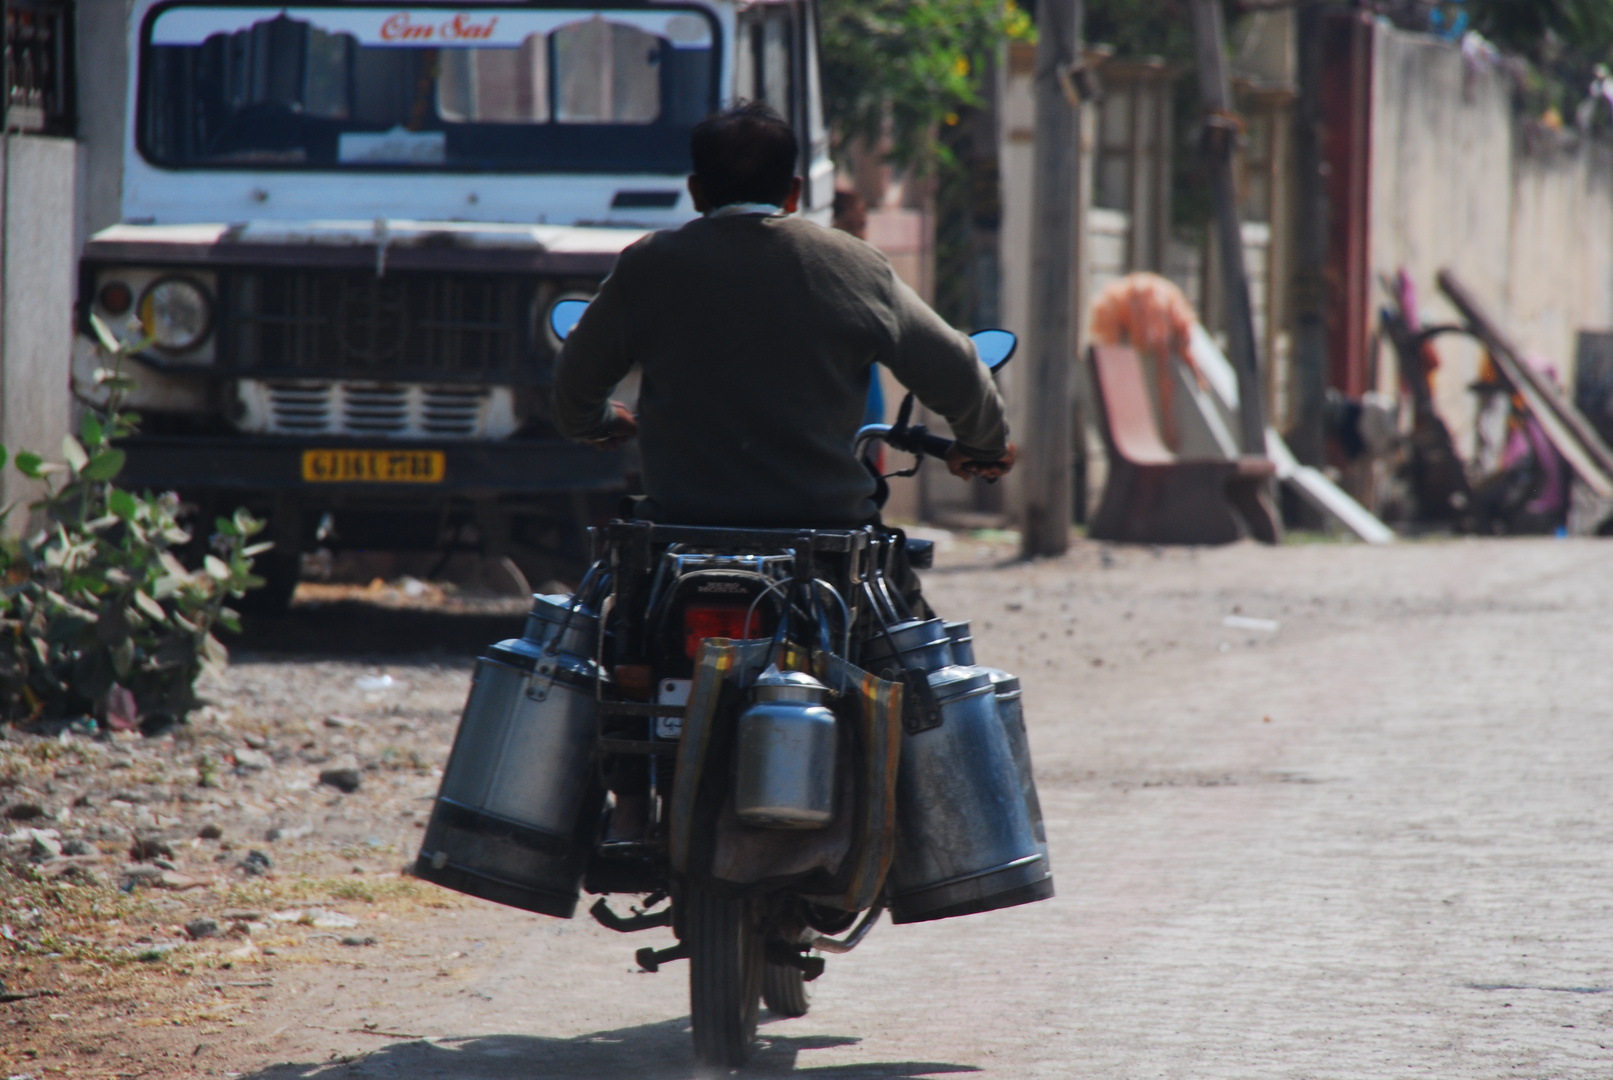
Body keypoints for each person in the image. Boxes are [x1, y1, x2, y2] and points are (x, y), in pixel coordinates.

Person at [552, 102, 1015, 530]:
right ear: (794, 192)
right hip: (825, 523)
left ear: (696, 191)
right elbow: (956, 366)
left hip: (680, 520)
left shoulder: (647, 265)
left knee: (596, 612)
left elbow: (575, 382)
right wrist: (983, 445)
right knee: (905, 613)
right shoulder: (856, 264)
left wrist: (597, 423)